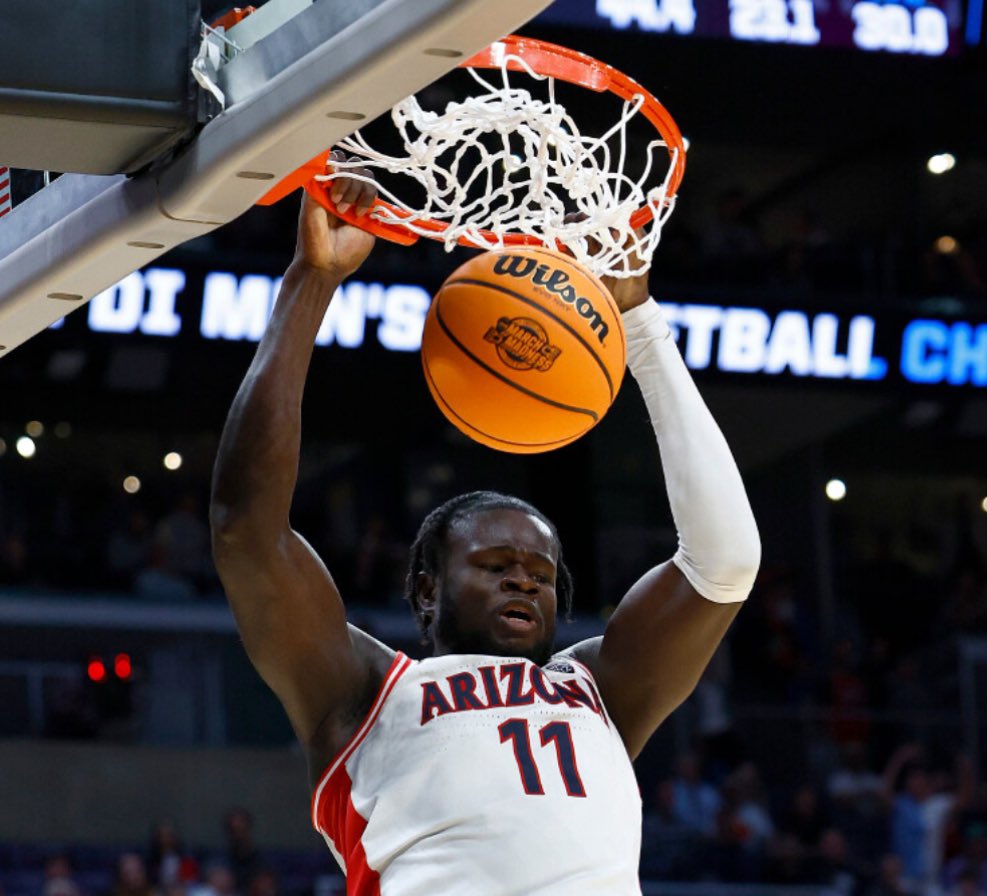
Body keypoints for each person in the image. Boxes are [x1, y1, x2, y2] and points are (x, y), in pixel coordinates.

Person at [209, 161, 761, 892]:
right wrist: (311, 282)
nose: (523, 580)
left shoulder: (602, 688)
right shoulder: (363, 692)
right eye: (497, 563)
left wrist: (642, 323)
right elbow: (248, 529)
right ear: (427, 590)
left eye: (540, 574)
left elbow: (724, 563)